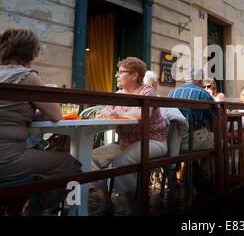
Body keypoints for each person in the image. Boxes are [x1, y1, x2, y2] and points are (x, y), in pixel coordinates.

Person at [0, 28, 82, 213]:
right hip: (7, 160)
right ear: (32, 52)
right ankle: (42, 209)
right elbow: (56, 115)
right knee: (68, 163)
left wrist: (29, 113)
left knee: (37, 158)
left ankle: (14, 208)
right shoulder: (27, 76)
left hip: (8, 157)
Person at [90, 57, 168, 215]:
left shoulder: (147, 91)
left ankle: (132, 208)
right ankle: (105, 200)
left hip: (152, 141)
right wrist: (106, 114)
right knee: (90, 157)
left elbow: (141, 113)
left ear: (134, 75)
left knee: (123, 160)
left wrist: (115, 113)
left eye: (121, 72)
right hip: (124, 143)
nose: (116, 75)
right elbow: (102, 113)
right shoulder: (118, 94)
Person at [168, 68, 215, 195]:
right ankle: (206, 177)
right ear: (200, 80)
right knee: (223, 144)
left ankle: (195, 169)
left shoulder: (172, 93)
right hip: (195, 138)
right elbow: (215, 118)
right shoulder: (203, 94)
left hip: (174, 141)